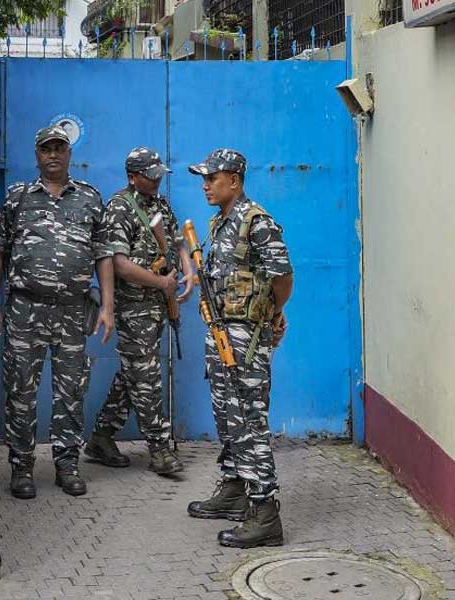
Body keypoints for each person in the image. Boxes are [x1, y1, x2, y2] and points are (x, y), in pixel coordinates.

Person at [0, 125, 114, 499]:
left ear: (69, 154)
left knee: (71, 391)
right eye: (46, 149)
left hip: (74, 312)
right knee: (20, 391)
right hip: (25, 309)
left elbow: (103, 254)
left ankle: (67, 464)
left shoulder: (90, 199)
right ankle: (22, 467)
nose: (53, 154)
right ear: (37, 154)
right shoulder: (18, 198)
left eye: (60, 148)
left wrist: (107, 307)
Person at [184, 149, 294, 549]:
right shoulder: (219, 222)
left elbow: (282, 276)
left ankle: (265, 513)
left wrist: (272, 313)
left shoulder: (256, 222)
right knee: (228, 417)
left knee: (249, 420)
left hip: (245, 341)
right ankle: (235, 486)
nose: (205, 184)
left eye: (212, 178)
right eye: (204, 178)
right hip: (221, 334)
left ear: (235, 180)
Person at [84, 147, 194, 475]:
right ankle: (159, 450)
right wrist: (161, 284)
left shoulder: (160, 204)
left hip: (158, 307)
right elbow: (119, 265)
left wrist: (187, 270)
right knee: (145, 377)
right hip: (133, 309)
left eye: (158, 173)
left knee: (133, 374)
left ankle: (101, 437)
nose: (157, 179)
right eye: (150, 174)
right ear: (133, 177)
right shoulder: (119, 208)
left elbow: (177, 242)